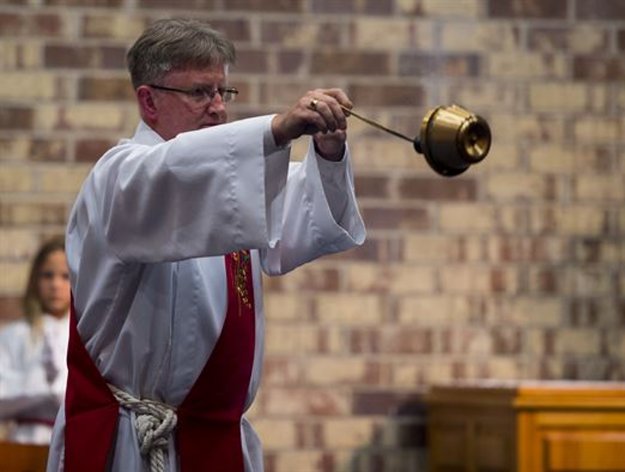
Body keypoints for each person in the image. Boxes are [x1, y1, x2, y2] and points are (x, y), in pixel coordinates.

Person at [46, 17, 365, 472]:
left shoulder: (236, 178)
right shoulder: (117, 178)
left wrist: (328, 152)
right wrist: (275, 130)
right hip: (127, 444)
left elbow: (308, 217)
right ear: (148, 101)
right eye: (199, 92)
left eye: (222, 92)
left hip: (215, 436)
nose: (217, 107)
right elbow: (170, 176)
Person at [0, 237, 70, 445]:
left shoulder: (86, 337)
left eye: (65, 276)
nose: (55, 285)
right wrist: (42, 383)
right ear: (35, 279)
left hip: (72, 441)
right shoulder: (15, 335)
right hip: (25, 440)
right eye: (48, 275)